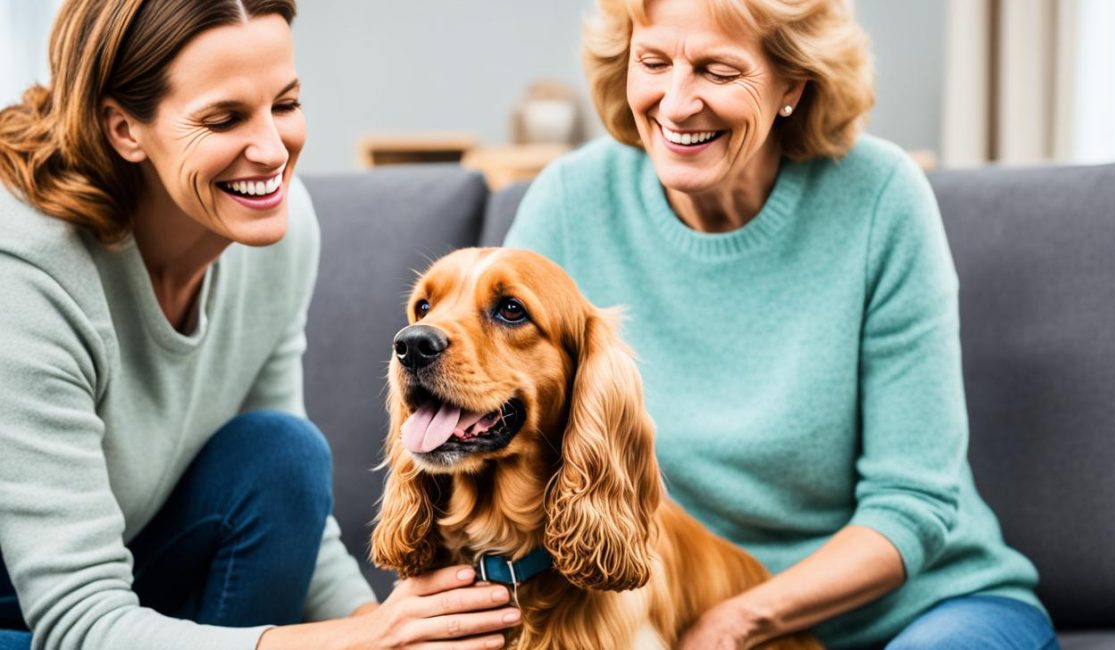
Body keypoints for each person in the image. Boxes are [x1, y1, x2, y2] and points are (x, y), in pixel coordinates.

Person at [503, 0, 1058, 648]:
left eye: (716, 71)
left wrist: (737, 622)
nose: (677, 104)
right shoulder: (571, 203)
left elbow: (914, 503)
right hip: (685, 612)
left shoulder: (882, 198)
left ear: (791, 84)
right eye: (653, 62)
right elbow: (496, 436)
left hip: (920, 612)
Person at [0, 1, 520, 649]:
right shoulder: (23, 262)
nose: (273, 151)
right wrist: (355, 644)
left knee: (286, 452)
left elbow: (289, 496)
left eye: (286, 104)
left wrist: (383, 629)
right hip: (32, 607)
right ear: (124, 128)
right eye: (224, 118)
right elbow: (77, 617)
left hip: (133, 578)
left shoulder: (281, 228)